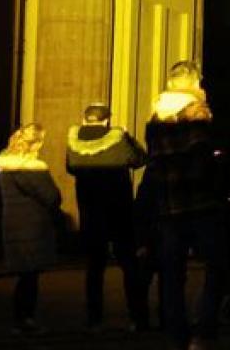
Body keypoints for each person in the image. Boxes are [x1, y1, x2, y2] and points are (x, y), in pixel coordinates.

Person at [145, 59, 227, 349]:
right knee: (217, 265)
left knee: (172, 273)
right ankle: (204, 328)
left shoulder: (155, 117)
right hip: (200, 203)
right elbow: (202, 159)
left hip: (168, 205)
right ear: (194, 81)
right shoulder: (196, 112)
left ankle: (176, 333)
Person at [67, 100, 149, 331]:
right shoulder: (118, 137)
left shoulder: (74, 140)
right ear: (107, 120)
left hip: (91, 213)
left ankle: (94, 318)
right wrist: (128, 136)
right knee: (129, 265)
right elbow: (140, 159)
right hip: (119, 210)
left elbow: (70, 168)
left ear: (85, 118)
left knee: (94, 268)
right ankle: (137, 317)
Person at [0, 123, 63, 336]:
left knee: (25, 275)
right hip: (32, 225)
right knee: (30, 277)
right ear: (37, 143)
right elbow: (51, 196)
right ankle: (25, 320)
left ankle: (21, 319)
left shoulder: (5, 166)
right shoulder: (32, 167)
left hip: (13, 223)